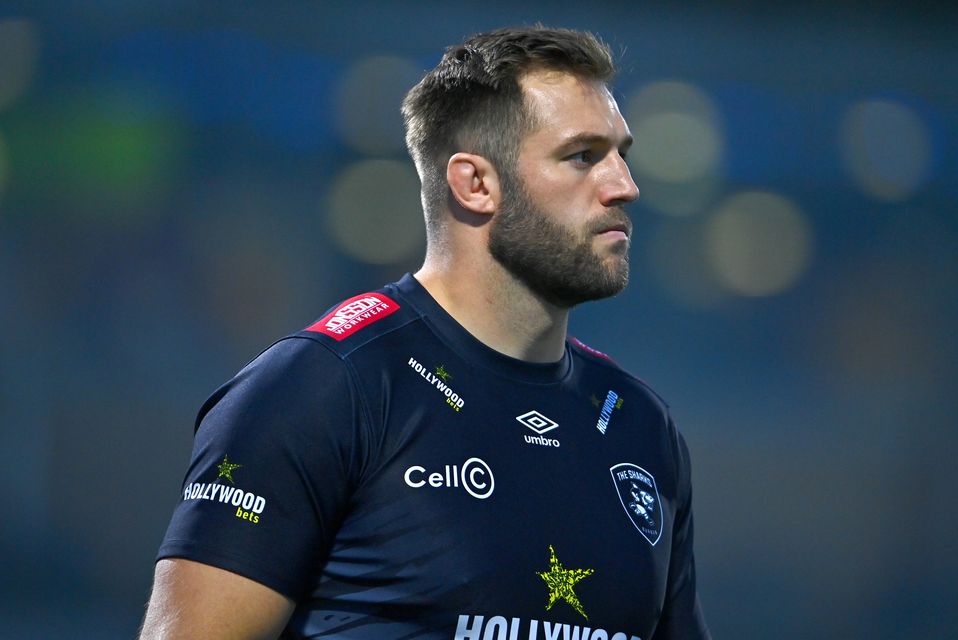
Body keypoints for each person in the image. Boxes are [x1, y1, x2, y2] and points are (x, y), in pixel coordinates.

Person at [139, 25, 711, 640]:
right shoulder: (321, 389)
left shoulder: (640, 425)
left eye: (621, 153)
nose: (625, 185)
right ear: (475, 184)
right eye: (583, 156)